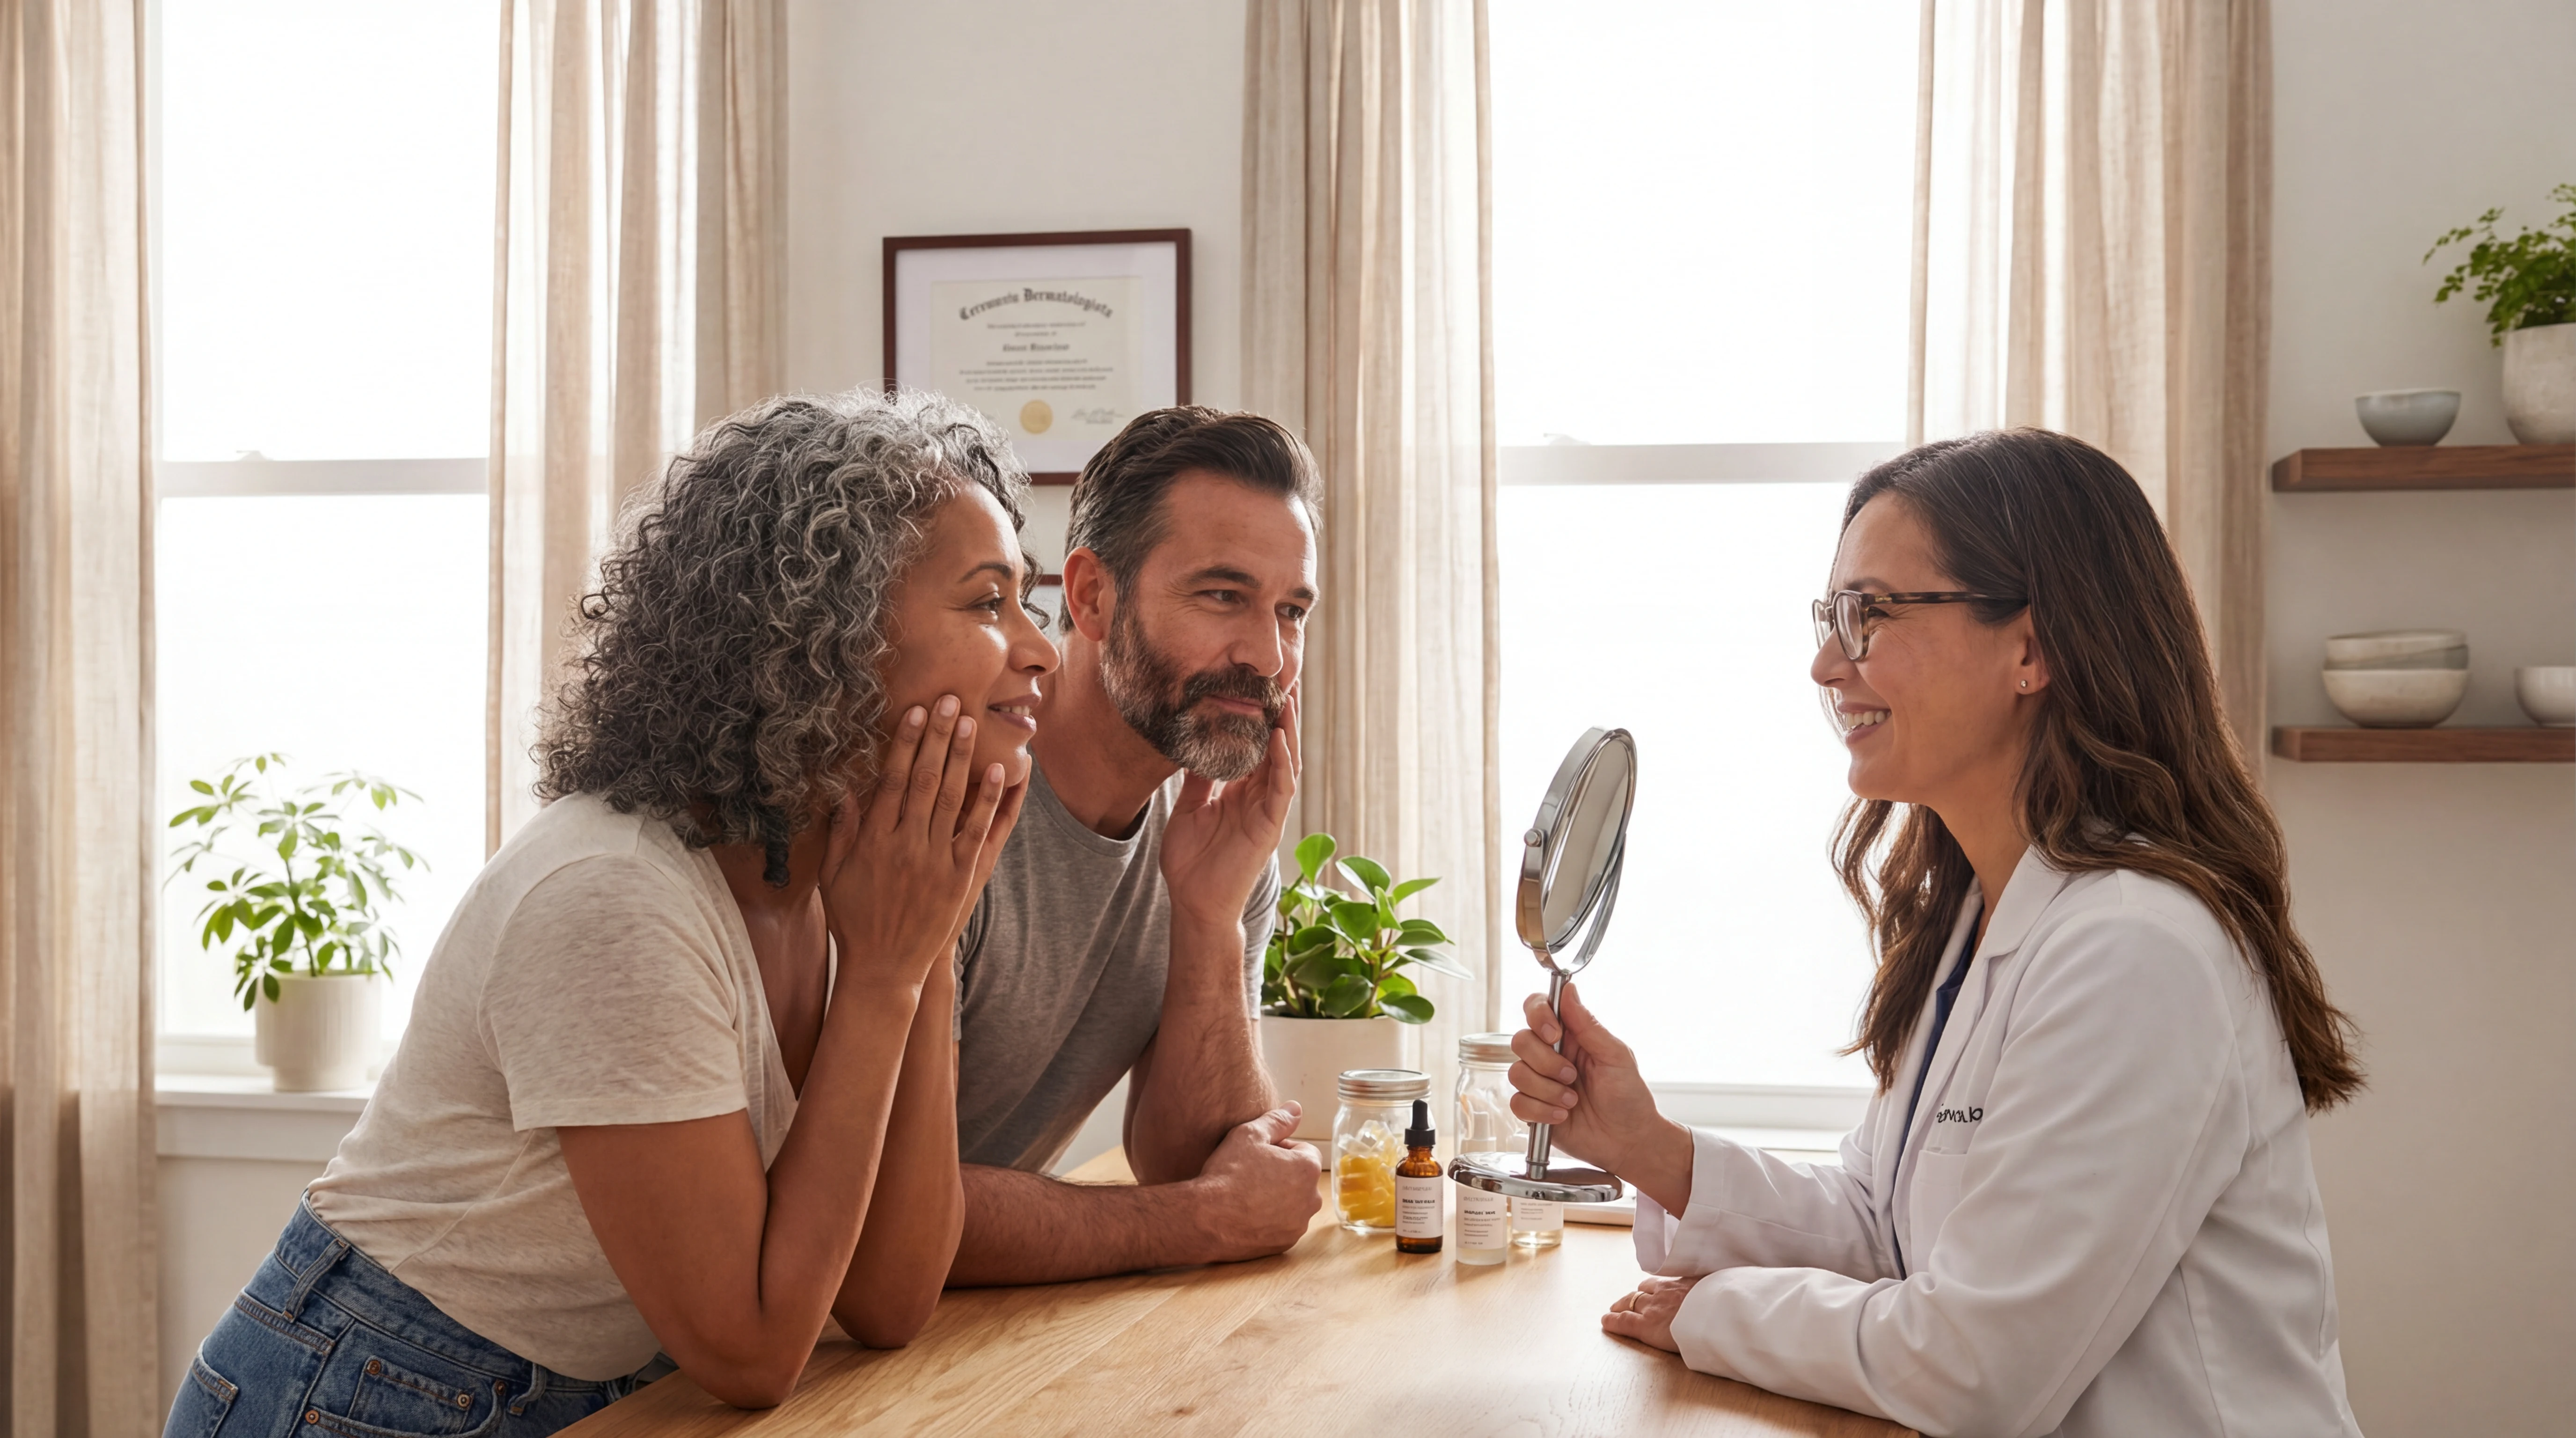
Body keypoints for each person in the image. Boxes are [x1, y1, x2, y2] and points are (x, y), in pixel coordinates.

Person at [164, 389, 1058, 1438]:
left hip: (584, 1396)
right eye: (988, 602)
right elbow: (750, 1349)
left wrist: (925, 939)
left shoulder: (837, 883)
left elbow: (889, 1299)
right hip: (361, 1387)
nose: (1041, 653)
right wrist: (887, 976)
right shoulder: (612, 895)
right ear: (825, 632)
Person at [1507, 429, 2366, 1437]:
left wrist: (1714, 1311)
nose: (1827, 663)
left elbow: (1976, 1370)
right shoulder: (1978, 918)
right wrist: (1651, 1149)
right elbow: (1886, 1230)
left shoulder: (2138, 950)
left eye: (1868, 615)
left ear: (2033, 648)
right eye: (1831, 616)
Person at [944, 406, 1327, 1285]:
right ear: (1091, 597)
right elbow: (889, 1213)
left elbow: (1197, 1161)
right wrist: (1195, 1222)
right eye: (1223, 596)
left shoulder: (1216, 842)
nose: (1268, 657)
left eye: (1292, 611)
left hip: (934, 1340)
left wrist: (1209, 917)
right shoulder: (956, 801)